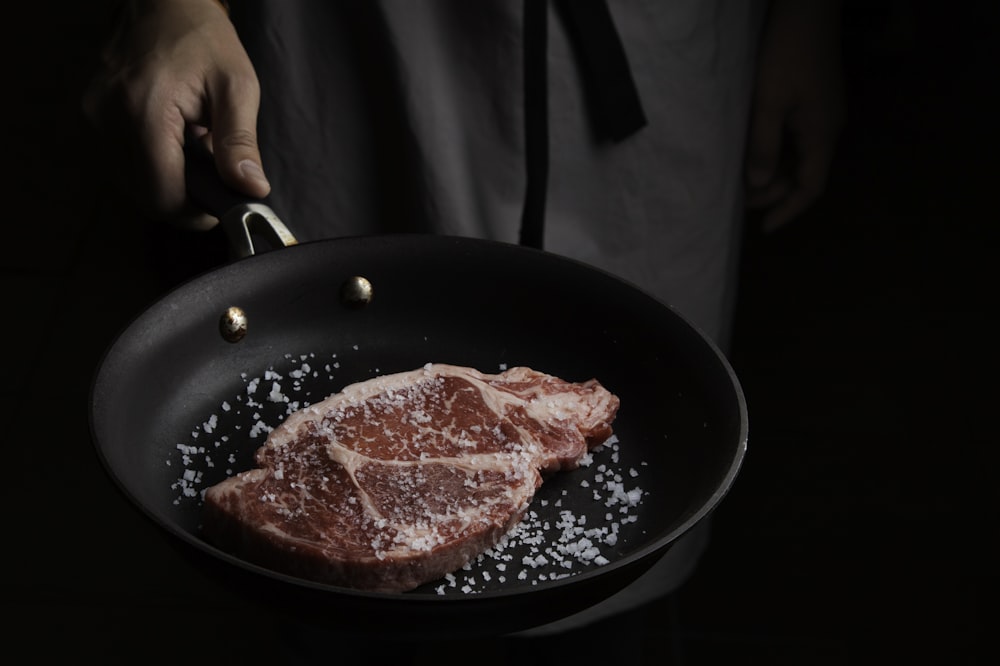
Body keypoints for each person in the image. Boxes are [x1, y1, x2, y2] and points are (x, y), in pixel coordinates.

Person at [83, 0, 844, 646]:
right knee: (316, 634)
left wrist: (808, 19)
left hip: (660, 48)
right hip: (366, 41)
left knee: (616, 605)